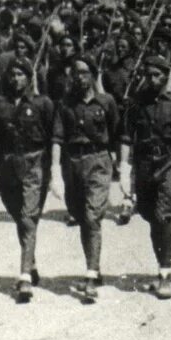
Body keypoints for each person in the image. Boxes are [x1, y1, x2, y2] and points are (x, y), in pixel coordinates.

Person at [118, 55, 171, 300]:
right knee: (150, 216)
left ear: (166, 75)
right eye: (148, 75)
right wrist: (124, 167)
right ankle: (161, 266)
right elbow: (126, 135)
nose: (151, 80)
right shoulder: (137, 102)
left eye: (156, 75)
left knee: (163, 216)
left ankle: (165, 274)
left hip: (170, 161)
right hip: (144, 164)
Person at [51, 55, 121, 303]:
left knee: (92, 217)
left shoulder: (106, 101)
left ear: (93, 75)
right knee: (81, 217)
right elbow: (57, 138)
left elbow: (116, 132)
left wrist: (120, 165)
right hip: (73, 163)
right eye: (75, 73)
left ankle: (90, 276)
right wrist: (55, 170)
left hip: (98, 161)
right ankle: (95, 267)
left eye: (84, 72)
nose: (79, 78)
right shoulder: (65, 105)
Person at [0, 58, 56, 303]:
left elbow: (53, 137)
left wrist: (54, 170)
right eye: (12, 74)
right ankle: (31, 262)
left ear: (29, 77)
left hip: (34, 163)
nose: (15, 79)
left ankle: (24, 276)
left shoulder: (42, 103)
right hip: (7, 166)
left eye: (20, 74)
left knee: (28, 217)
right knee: (19, 216)